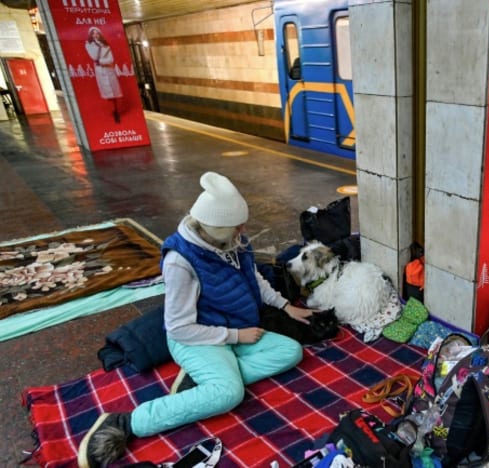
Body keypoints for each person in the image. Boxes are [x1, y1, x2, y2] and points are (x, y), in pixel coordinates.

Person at [79, 171, 316, 467]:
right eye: (236, 227)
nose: (243, 230)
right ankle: (127, 422)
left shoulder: (233, 242)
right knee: (230, 394)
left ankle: (205, 383)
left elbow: (253, 278)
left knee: (290, 351)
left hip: (235, 329)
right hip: (196, 339)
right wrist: (234, 337)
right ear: (217, 229)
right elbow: (179, 328)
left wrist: (284, 306)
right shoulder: (180, 261)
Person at [84, 26, 123, 123]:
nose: (95, 35)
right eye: (93, 33)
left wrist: (101, 61)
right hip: (100, 71)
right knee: (107, 93)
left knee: (114, 93)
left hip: (109, 70)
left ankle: (116, 112)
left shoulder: (106, 45)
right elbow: (94, 57)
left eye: (97, 33)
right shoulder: (90, 45)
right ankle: (112, 111)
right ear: (91, 35)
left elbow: (111, 59)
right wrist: (97, 47)